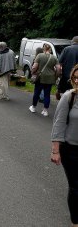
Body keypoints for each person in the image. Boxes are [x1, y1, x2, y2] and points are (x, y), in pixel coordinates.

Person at [51, 64, 78, 226]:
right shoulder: (70, 97)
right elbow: (59, 124)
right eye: (75, 77)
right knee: (76, 186)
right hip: (71, 150)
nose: (77, 80)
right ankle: (76, 221)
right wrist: (55, 150)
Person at [28, 44, 60, 116]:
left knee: (37, 93)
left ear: (43, 49)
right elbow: (58, 69)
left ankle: (33, 107)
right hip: (50, 78)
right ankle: (45, 111)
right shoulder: (54, 58)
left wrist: (32, 72)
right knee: (47, 95)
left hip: (40, 77)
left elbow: (35, 66)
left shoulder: (39, 56)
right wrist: (55, 76)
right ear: (50, 49)